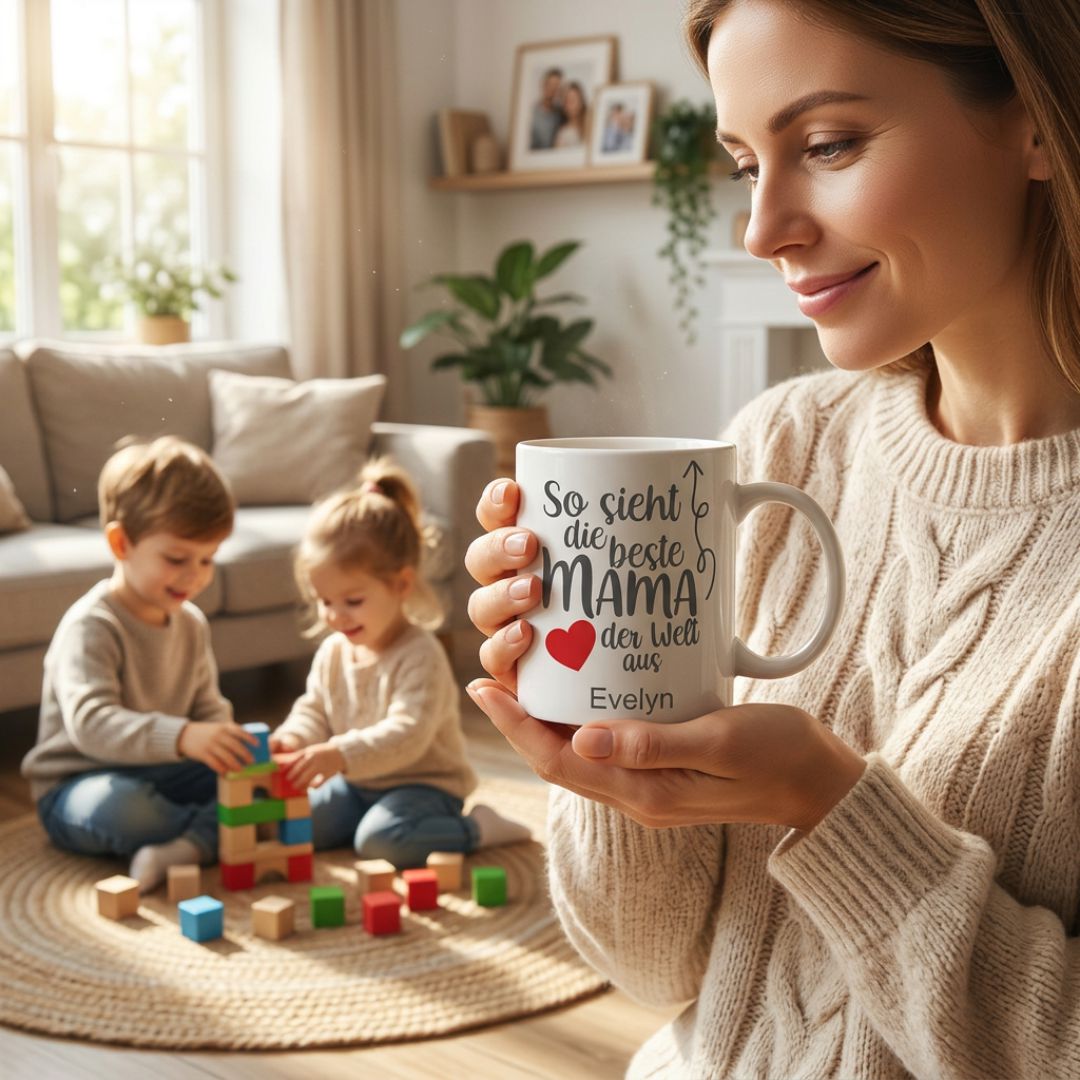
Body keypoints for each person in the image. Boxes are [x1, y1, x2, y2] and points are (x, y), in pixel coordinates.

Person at [463, 0, 1080, 1076]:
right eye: (748, 163)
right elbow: (658, 972)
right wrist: (600, 741)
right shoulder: (782, 450)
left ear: (1033, 118)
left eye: (828, 145)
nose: (763, 229)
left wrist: (834, 810)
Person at [269, 457, 530, 867]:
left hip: (424, 785)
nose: (335, 616)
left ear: (401, 584)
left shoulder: (420, 655)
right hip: (357, 781)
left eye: (352, 601)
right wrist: (294, 738)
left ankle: (478, 827)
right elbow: (314, 709)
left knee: (382, 842)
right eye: (324, 601)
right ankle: (362, 819)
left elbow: (407, 735)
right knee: (293, 823)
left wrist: (337, 754)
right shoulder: (334, 651)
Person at [22, 436, 256, 892]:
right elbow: (93, 724)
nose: (195, 575)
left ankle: (187, 844)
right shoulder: (92, 626)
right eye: (176, 558)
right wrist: (185, 736)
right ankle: (214, 833)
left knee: (252, 779)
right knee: (127, 811)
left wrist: (226, 745)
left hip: (160, 769)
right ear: (121, 542)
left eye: (207, 559)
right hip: (80, 782)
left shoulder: (190, 624)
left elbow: (208, 706)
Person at [529, 67, 565, 150]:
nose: (552, 89)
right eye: (550, 84)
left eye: (556, 86)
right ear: (543, 84)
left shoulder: (561, 113)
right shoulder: (531, 113)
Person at [554, 81, 588, 148]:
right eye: (567, 101)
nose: (571, 105)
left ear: (581, 101)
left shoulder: (591, 124)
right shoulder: (563, 134)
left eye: (573, 100)